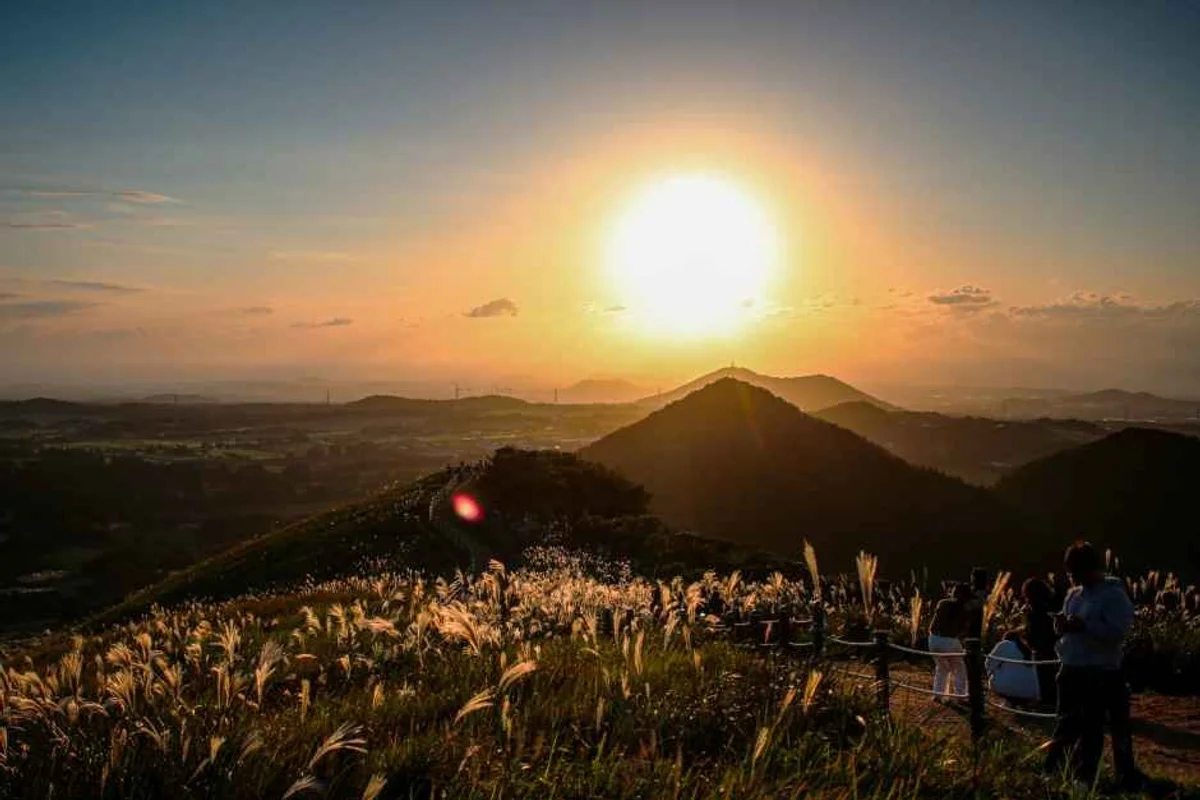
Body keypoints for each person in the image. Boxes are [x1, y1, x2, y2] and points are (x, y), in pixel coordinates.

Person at [1043, 541, 1146, 791]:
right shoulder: (1073, 595)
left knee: (1091, 727)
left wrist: (1085, 626)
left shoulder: (1114, 595)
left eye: (1076, 572)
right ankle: (1052, 773)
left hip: (1099, 671)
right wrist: (1061, 626)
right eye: (1070, 572)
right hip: (1069, 667)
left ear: (1092, 569)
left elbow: (1118, 632)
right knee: (1064, 723)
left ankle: (1083, 779)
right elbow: (1066, 630)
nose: (1072, 577)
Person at [928, 582, 970, 699]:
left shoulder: (942, 603)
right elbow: (963, 630)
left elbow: (933, 624)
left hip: (933, 638)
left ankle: (938, 694)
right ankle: (960, 695)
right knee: (959, 668)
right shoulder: (964, 608)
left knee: (942, 668)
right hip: (949, 640)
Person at [1021, 577, 1059, 707]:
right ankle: (1047, 699)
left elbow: (1034, 633)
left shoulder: (1038, 612)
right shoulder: (1045, 608)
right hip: (1047, 647)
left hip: (1044, 647)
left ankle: (1047, 700)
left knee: (1045, 672)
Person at [986, 630, 1040, 704]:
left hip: (1009, 688)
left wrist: (992, 671)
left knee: (993, 676)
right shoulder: (1026, 649)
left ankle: (1009, 701)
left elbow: (989, 663)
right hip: (1030, 690)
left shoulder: (1004, 644)